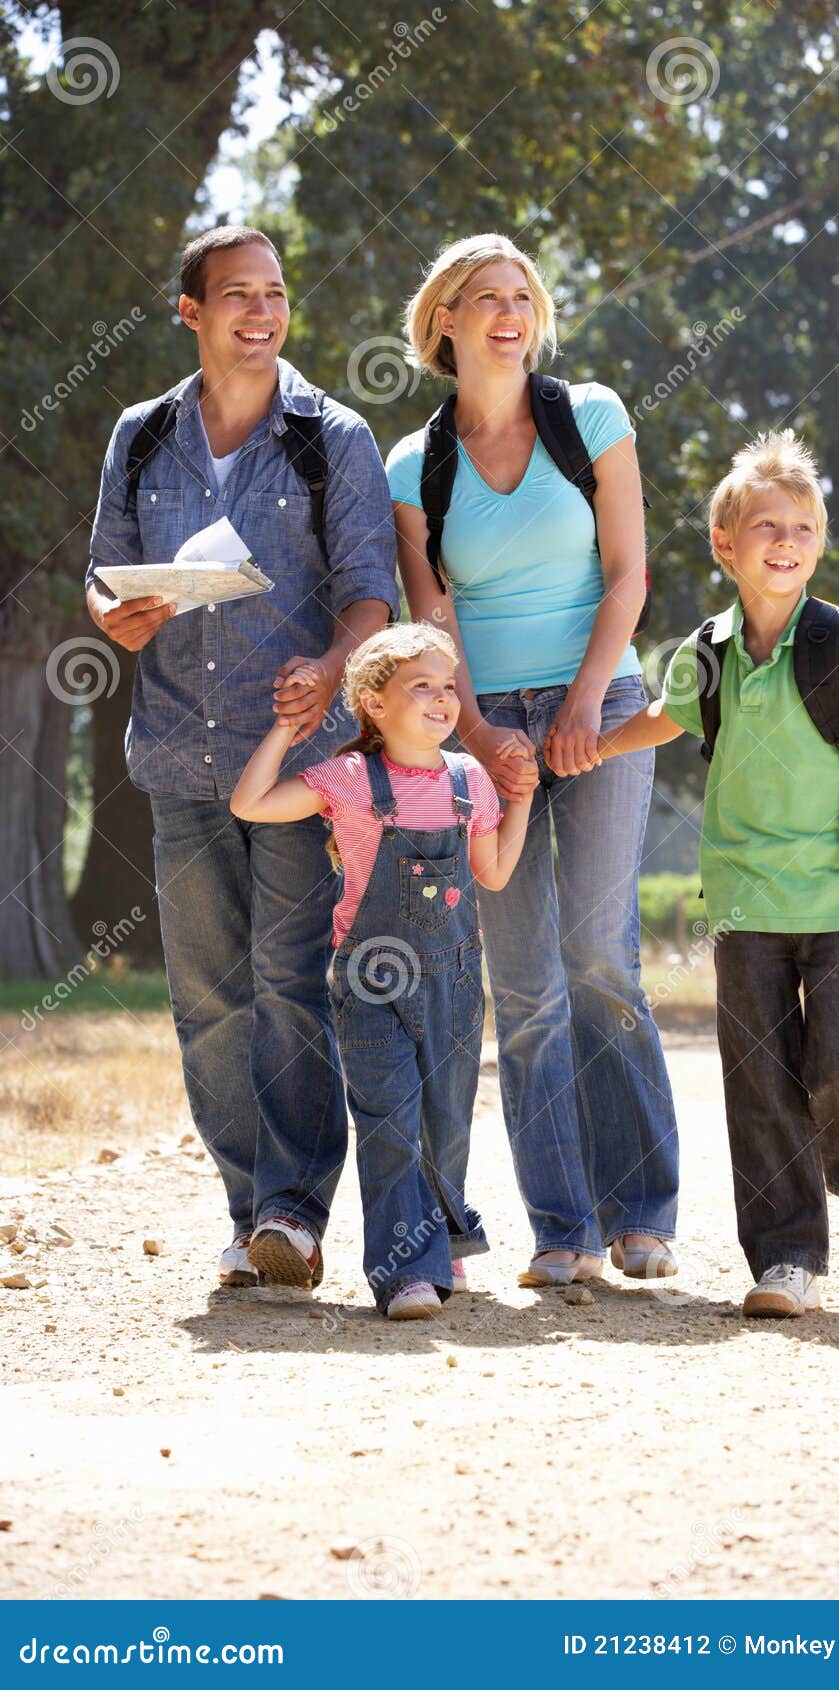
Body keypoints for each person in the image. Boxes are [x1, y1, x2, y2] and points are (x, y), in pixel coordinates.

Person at [86, 225, 399, 1292]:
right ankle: (244, 1207)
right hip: (178, 754)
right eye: (237, 295)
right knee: (208, 997)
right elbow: (103, 572)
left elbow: (371, 591)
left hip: (297, 764)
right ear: (191, 311)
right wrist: (112, 613)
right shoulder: (140, 435)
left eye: (274, 293)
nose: (261, 313)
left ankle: (293, 1213)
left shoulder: (332, 437)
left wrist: (332, 664)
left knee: (287, 982)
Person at [597, 429, 839, 1318]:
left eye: (802, 527)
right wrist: (587, 747)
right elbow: (666, 717)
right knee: (758, 1086)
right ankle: (785, 1257)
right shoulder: (707, 652)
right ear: (725, 544)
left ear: (818, 543)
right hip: (742, 907)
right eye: (766, 526)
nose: (785, 541)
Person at [386, 233, 679, 1289]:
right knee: (521, 984)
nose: (509, 312)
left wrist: (587, 699)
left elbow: (628, 572)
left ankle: (640, 1211)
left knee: (598, 955)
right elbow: (432, 619)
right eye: (485, 297)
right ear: (445, 322)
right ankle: (562, 1229)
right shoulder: (411, 466)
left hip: (600, 703)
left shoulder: (589, 416)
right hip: (487, 726)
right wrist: (473, 733)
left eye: (523, 296)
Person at [229, 623, 533, 1317]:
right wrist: (286, 728)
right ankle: (405, 1275)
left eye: (448, 686)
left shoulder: (470, 779)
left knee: (445, 1123)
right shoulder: (346, 779)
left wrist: (520, 800)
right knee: (389, 1122)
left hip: (455, 981)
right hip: (371, 983)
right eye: (420, 685)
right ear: (372, 702)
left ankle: (440, 1238)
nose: (442, 698)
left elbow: (492, 873)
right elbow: (249, 803)